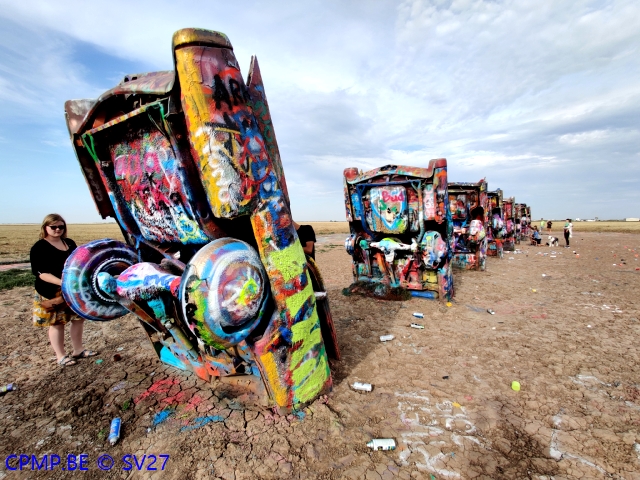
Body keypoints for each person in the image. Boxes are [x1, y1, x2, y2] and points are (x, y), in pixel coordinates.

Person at [30, 214, 97, 367]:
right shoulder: (39, 247)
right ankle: (60, 356)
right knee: (57, 323)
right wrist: (62, 283)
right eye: (53, 227)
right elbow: (41, 273)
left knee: (78, 319)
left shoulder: (69, 243)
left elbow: (78, 262)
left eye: (61, 226)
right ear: (45, 227)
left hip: (71, 289)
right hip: (51, 292)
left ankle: (78, 350)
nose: (57, 229)